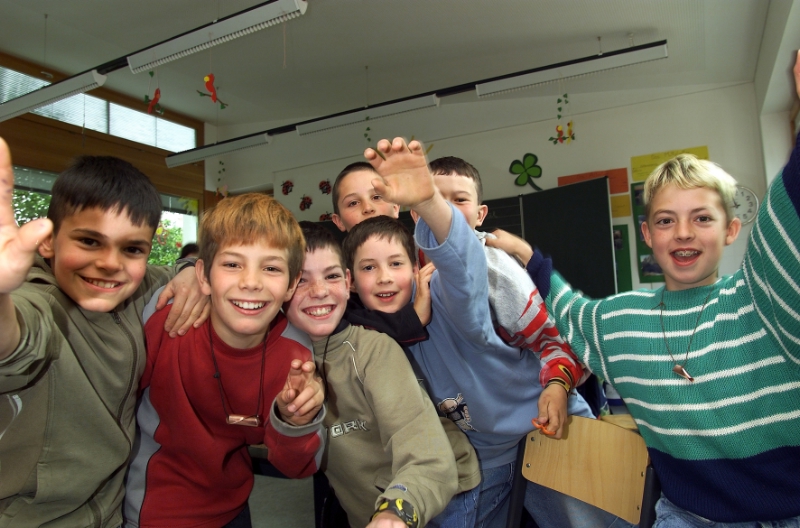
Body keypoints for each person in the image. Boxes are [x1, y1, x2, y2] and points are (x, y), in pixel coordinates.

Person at [487, 52, 800, 527]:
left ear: (732, 230)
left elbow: (786, 223)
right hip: (689, 517)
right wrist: (526, 256)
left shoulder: (761, 296)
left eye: (702, 218)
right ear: (647, 235)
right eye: (666, 221)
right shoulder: (620, 322)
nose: (683, 233)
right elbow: (569, 311)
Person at [363, 138, 624, 528]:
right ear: (412, 214)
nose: (448, 209)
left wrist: (557, 384)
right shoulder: (402, 282)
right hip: (480, 446)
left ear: (480, 213)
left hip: (546, 424)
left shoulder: (493, 271)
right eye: (435, 199)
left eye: (459, 200)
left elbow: (555, 340)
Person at [0, 144, 207, 527]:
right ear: (48, 241)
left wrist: (191, 271)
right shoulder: (39, 302)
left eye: (132, 249)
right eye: (89, 241)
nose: (110, 263)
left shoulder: (140, 287)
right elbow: (15, 342)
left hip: (113, 514)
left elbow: (180, 268)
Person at [124, 194, 325, 527]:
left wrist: (296, 421)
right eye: (232, 264)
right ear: (203, 276)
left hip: (233, 509)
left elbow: (299, 467)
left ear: (292, 285)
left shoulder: (295, 356)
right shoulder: (165, 322)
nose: (251, 282)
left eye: (271, 268)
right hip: (151, 511)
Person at [284, 221, 460, 528]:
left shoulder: (373, 348)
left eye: (331, 276)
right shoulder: (279, 354)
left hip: (432, 504)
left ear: (347, 281)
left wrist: (395, 510)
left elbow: (425, 453)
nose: (319, 291)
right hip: (367, 510)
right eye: (301, 280)